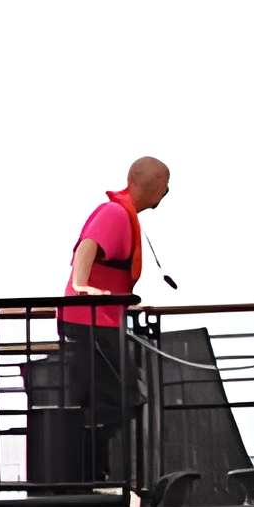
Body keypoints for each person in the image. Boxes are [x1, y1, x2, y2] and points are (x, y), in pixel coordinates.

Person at [49, 157, 169, 487]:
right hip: (89, 323)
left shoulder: (123, 216)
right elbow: (88, 247)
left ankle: (95, 470)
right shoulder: (114, 214)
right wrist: (82, 284)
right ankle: (91, 472)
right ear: (156, 186)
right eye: (166, 184)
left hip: (101, 323)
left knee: (113, 398)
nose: (168, 191)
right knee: (118, 398)